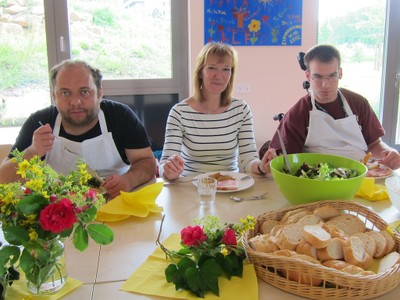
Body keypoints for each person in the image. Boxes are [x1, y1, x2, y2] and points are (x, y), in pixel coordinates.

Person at [0, 60, 157, 198]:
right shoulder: (39, 122)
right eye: (65, 93)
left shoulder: (120, 116)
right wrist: (32, 152)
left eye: (84, 92)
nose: (75, 101)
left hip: (117, 203)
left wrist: (129, 180)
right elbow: (3, 180)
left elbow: (147, 162)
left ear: (100, 93)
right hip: (60, 212)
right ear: (54, 97)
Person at [269, 44, 400, 170]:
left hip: (362, 174)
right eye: (318, 77)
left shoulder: (358, 103)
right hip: (318, 179)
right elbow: (285, 158)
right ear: (308, 76)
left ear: (340, 73)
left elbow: (374, 144)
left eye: (332, 76)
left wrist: (389, 153)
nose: (325, 84)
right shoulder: (298, 113)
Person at [159, 42, 276, 181]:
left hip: (229, 186)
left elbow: (248, 161)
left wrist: (262, 167)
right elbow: (164, 164)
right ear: (200, 72)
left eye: (226, 69)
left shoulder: (241, 110)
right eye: (212, 68)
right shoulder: (179, 112)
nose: (219, 76)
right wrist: (169, 170)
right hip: (191, 187)